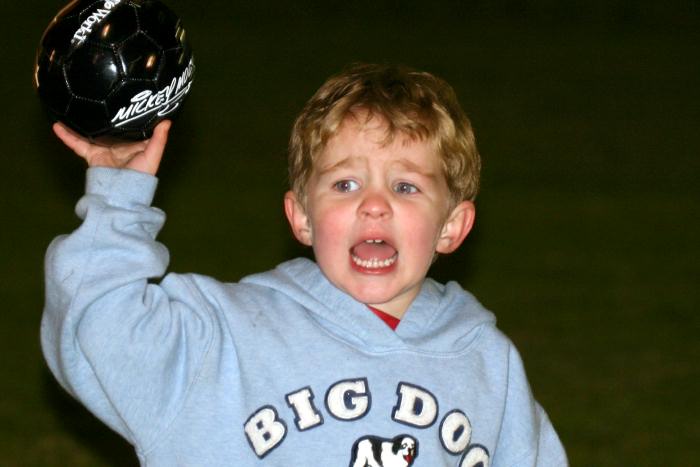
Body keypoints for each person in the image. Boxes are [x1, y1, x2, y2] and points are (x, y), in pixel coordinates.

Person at [42, 63, 568, 466]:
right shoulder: (225, 341)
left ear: (451, 226)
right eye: (346, 184)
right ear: (302, 218)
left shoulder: (485, 365)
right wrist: (119, 198)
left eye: (405, 186)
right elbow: (100, 325)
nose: (374, 204)